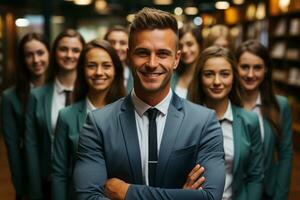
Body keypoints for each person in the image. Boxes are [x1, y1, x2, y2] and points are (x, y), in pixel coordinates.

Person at [73, 7, 225, 200]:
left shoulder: (204, 122)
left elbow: (210, 197)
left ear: (176, 59)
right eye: (143, 53)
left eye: (162, 53)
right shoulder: (98, 124)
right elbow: (88, 198)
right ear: (128, 56)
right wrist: (182, 196)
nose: (152, 63)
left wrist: (126, 192)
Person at [51, 39, 126, 200]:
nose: (99, 72)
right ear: (82, 70)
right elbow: (59, 173)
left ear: (116, 71)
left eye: (106, 65)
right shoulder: (66, 116)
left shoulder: (131, 112)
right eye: (91, 65)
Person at [189, 46, 263, 200]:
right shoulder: (184, 118)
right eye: (209, 74)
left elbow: (255, 175)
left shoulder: (250, 121)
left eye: (224, 74)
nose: (217, 82)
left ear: (234, 77)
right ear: (199, 78)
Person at [25, 29, 85, 200]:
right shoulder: (37, 95)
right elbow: (31, 146)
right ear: (54, 53)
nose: (69, 55)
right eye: (63, 49)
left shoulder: (91, 94)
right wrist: (35, 190)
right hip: (47, 179)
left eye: (75, 50)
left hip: (83, 183)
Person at [235, 40, 293, 200]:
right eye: (245, 67)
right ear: (235, 67)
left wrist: (280, 195)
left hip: (268, 190)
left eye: (257, 67)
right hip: (234, 191)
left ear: (266, 69)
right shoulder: (227, 104)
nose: (250, 74)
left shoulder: (280, 106)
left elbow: (285, 153)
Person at [1, 32, 50, 200]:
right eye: (29, 55)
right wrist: (21, 188)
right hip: (30, 174)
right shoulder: (10, 97)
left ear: (49, 53)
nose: (36, 60)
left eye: (40, 53)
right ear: (22, 59)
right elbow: (13, 148)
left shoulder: (62, 89)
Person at [172, 24, 202, 98]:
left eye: (190, 44)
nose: (184, 50)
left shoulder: (206, 76)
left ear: (200, 45)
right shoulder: (172, 75)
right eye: (180, 46)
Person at [104, 25, 133, 93]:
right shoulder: (97, 75)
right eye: (112, 42)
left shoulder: (137, 78)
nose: (116, 47)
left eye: (122, 43)